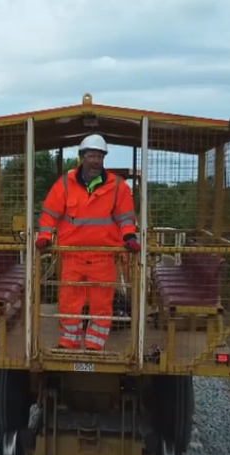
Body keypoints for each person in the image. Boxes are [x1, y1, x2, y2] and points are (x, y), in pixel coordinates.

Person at [35, 133, 140, 351]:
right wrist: (44, 235)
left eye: (100, 156)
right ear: (82, 157)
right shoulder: (64, 185)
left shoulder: (118, 187)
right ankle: (68, 343)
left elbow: (126, 218)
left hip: (103, 257)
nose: (96, 161)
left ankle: (94, 346)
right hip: (72, 257)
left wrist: (129, 236)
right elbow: (49, 214)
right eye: (92, 155)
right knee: (69, 303)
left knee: (102, 304)